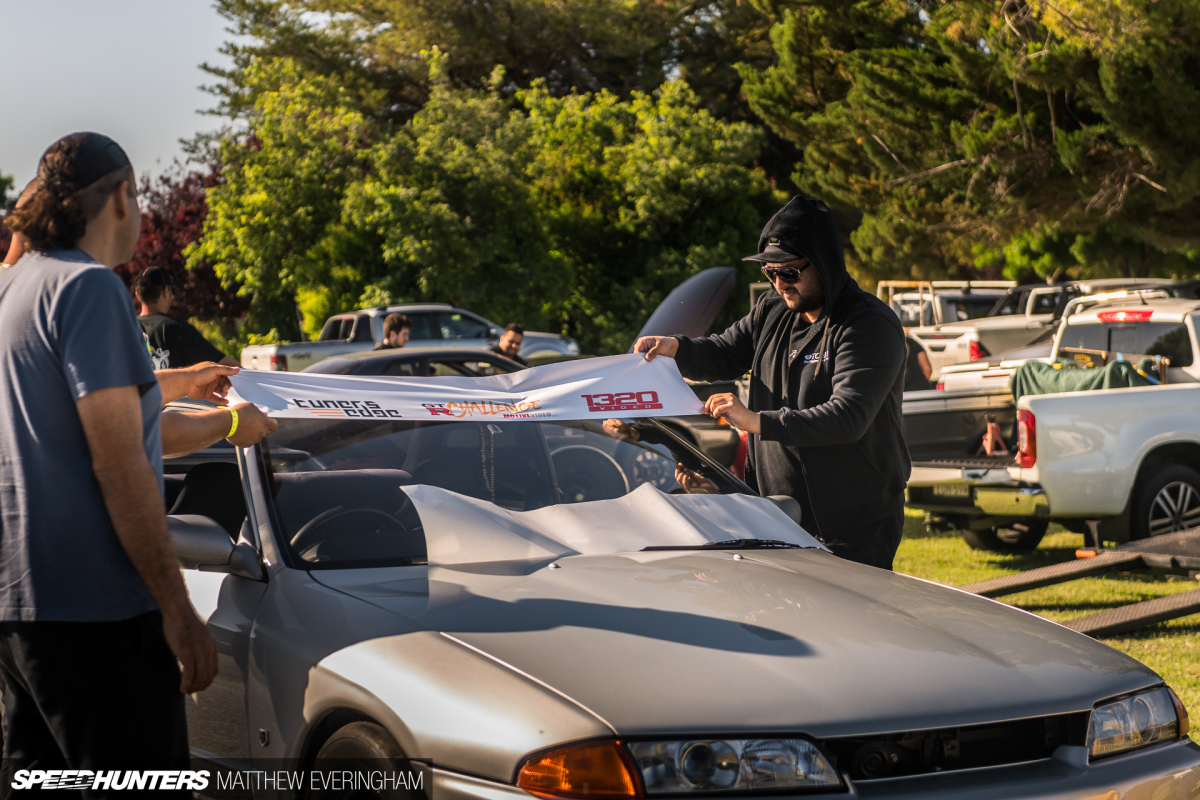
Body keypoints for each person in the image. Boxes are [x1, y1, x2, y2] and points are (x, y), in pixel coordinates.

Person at [0, 132, 217, 780]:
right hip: (96, 611)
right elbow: (119, 463)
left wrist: (186, 389)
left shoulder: (14, 290)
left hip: (20, 613)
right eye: (139, 196)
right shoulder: (89, 288)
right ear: (121, 197)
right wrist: (178, 610)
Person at [634, 195, 911, 569]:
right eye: (770, 272)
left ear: (824, 262)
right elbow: (724, 352)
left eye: (790, 273)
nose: (780, 283)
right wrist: (676, 348)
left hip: (854, 526)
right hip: (777, 516)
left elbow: (848, 417)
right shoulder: (771, 309)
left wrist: (755, 421)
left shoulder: (867, 325)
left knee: (849, 610)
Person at [136, 266, 237, 369]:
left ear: (137, 295)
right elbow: (228, 366)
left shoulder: (127, 329)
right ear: (166, 291)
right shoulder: (179, 330)